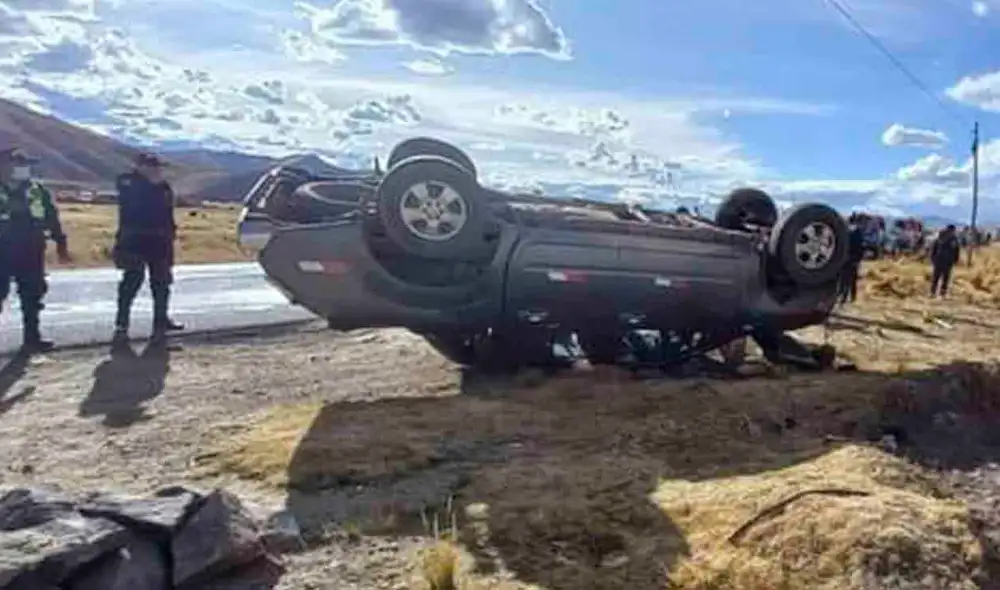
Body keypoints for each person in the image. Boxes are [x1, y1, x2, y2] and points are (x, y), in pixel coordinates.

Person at [0, 147, 72, 352]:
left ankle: (32, 339)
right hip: (2, 250)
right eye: (19, 165)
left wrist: (61, 243)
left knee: (32, 295)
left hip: (31, 249)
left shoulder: (37, 190)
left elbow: (51, 217)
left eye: (25, 165)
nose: (24, 169)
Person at [112, 153, 184, 343]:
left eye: (158, 167)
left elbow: (168, 213)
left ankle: (161, 321)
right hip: (134, 241)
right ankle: (122, 323)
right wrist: (149, 184)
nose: (157, 170)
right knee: (132, 281)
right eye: (152, 167)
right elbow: (131, 200)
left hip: (160, 242)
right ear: (140, 167)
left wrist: (171, 234)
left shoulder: (163, 187)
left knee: (162, 283)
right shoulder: (129, 183)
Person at [930, 224, 961, 298]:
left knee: (940, 277)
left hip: (942, 260)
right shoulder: (944, 238)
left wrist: (933, 258)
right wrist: (955, 260)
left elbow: (956, 250)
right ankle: (937, 292)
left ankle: (936, 292)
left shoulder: (950, 239)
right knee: (941, 277)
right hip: (944, 260)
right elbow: (934, 248)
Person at [838, 220, 865, 304]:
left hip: (850, 259)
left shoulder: (851, 233)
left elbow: (860, 249)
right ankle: (850, 296)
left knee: (847, 279)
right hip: (849, 259)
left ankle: (845, 297)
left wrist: (857, 260)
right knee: (848, 279)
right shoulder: (857, 233)